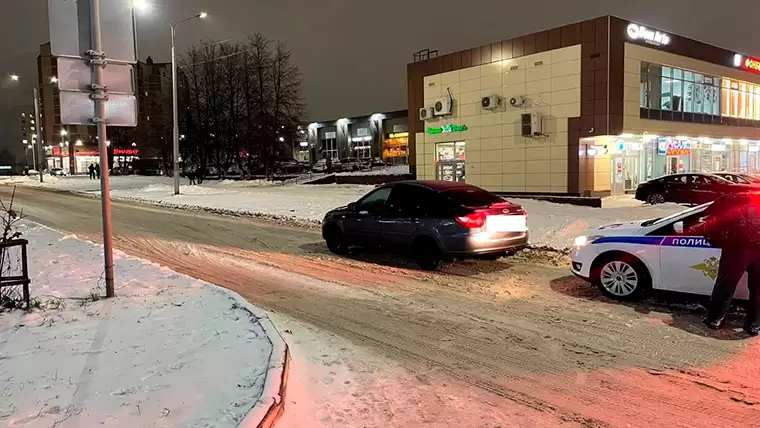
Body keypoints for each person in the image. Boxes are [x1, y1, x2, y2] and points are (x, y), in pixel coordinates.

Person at [701, 192, 760, 335]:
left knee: (725, 285)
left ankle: (715, 319)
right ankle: (754, 324)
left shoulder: (730, 199)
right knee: (758, 289)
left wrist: (716, 239)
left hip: (736, 249)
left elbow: (709, 220)